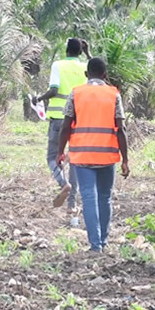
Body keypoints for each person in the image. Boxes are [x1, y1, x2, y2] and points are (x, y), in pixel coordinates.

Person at [57, 58, 130, 252]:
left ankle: (95, 245)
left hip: (82, 156)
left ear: (86, 75)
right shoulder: (114, 95)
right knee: (105, 198)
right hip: (107, 156)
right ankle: (104, 241)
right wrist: (125, 160)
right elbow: (121, 129)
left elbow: (65, 127)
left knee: (88, 197)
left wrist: (60, 152)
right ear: (105, 75)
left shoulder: (76, 93)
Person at [32, 38, 92, 211]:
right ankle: (72, 204)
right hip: (79, 120)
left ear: (66, 50)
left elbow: (54, 90)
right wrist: (88, 53)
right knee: (74, 160)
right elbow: (97, 71)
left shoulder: (58, 65)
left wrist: (39, 98)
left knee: (52, 157)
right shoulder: (84, 67)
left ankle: (63, 183)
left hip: (59, 118)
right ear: (80, 52)